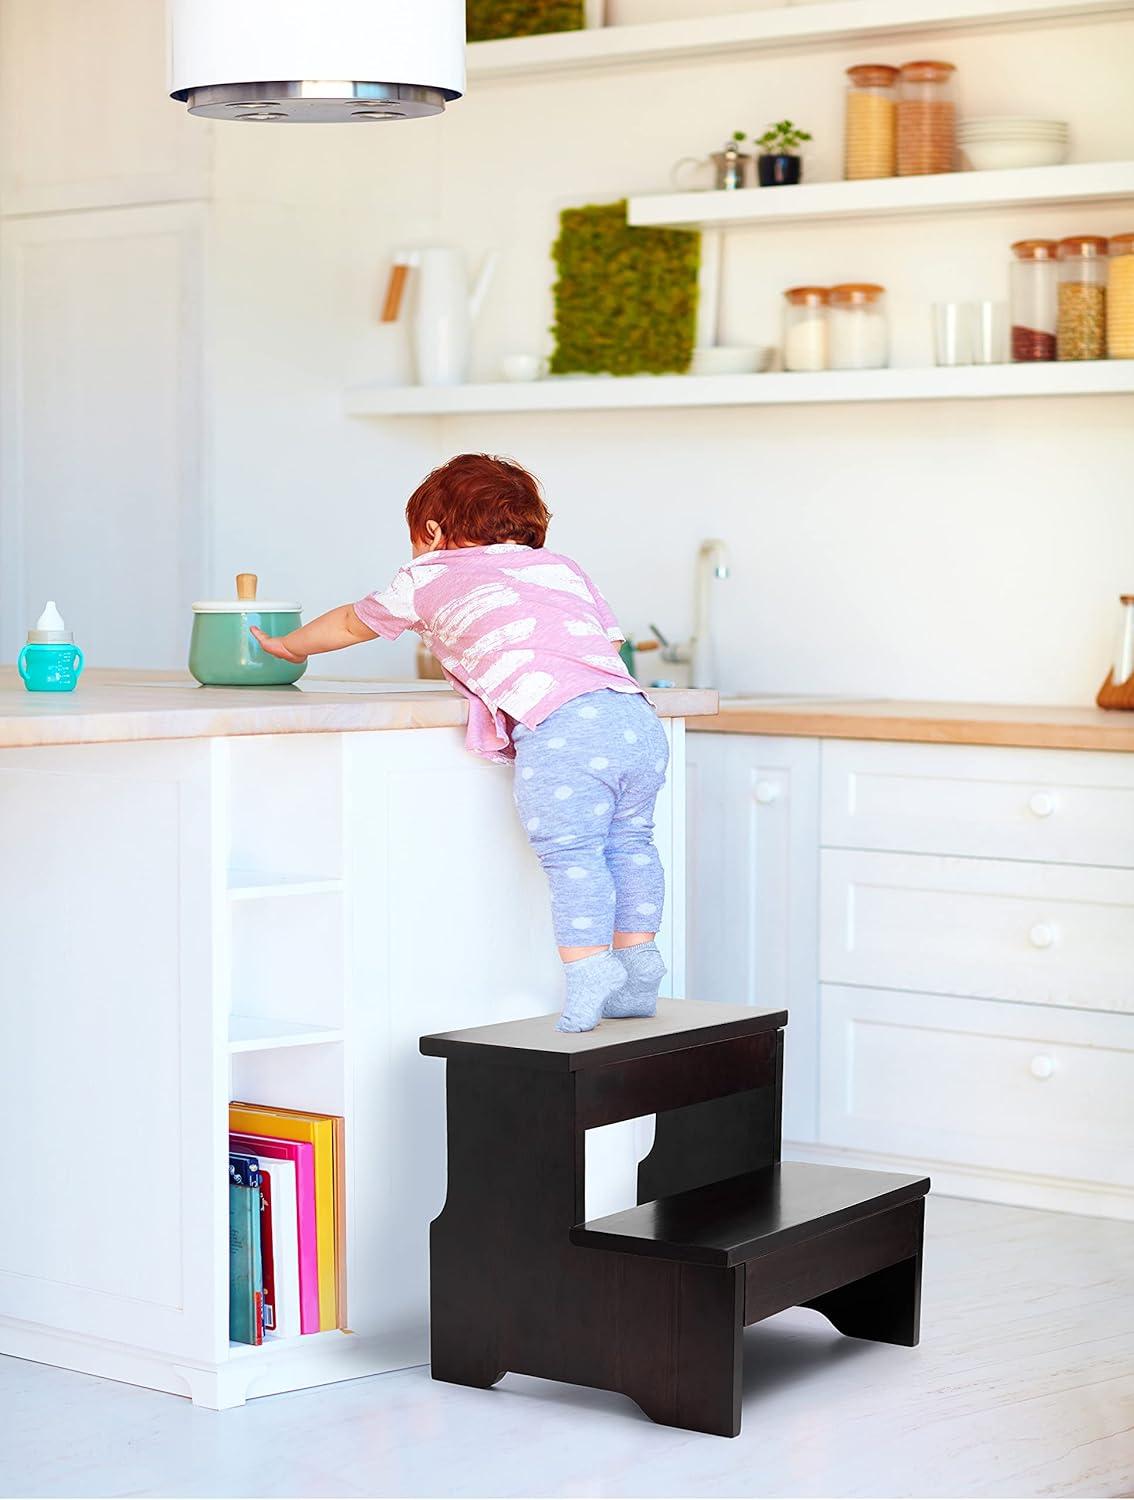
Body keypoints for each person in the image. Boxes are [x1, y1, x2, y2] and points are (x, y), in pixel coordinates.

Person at [252, 453, 669, 1033]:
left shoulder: (427, 576)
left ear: (430, 531)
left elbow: (352, 623)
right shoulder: (560, 567)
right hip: (634, 719)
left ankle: (589, 970)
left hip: (563, 727)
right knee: (631, 844)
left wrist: (290, 647)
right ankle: (640, 964)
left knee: (573, 858)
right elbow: (603, 641)